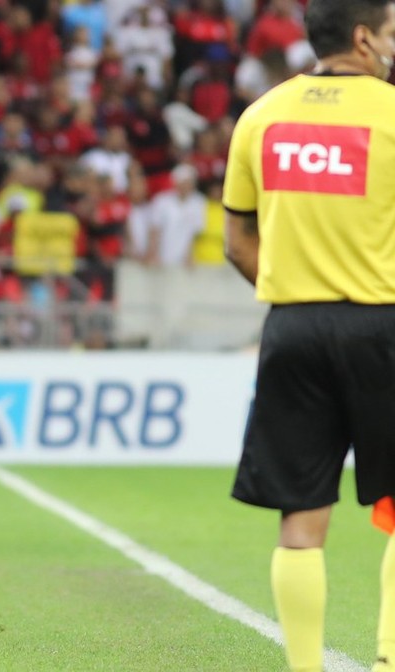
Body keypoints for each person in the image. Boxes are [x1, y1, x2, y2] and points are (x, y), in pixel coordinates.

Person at [222, 1, 395, 670]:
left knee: (301, 514)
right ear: (362, 37)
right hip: (382, 322)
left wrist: (293, 285)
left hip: (292, 326)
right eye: (390, 32)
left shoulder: (261, 115)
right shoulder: (388, 113)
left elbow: (239, 240)